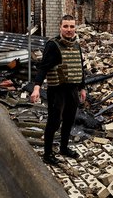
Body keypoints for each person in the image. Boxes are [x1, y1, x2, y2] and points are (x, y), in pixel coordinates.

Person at [30, 15, 87, 164]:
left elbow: (79, 67)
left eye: (72, 26)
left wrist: (82, 88)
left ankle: (64, 148)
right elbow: (43, 67)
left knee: (69, 120)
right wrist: (36, 88)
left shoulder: (76, 44)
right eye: (66, 26)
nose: (69, 30)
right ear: (60, 27)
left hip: (72, 89)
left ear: (75, 28)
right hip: (57, 90)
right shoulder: (53, 45)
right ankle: (47, 154)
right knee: (54, 122)